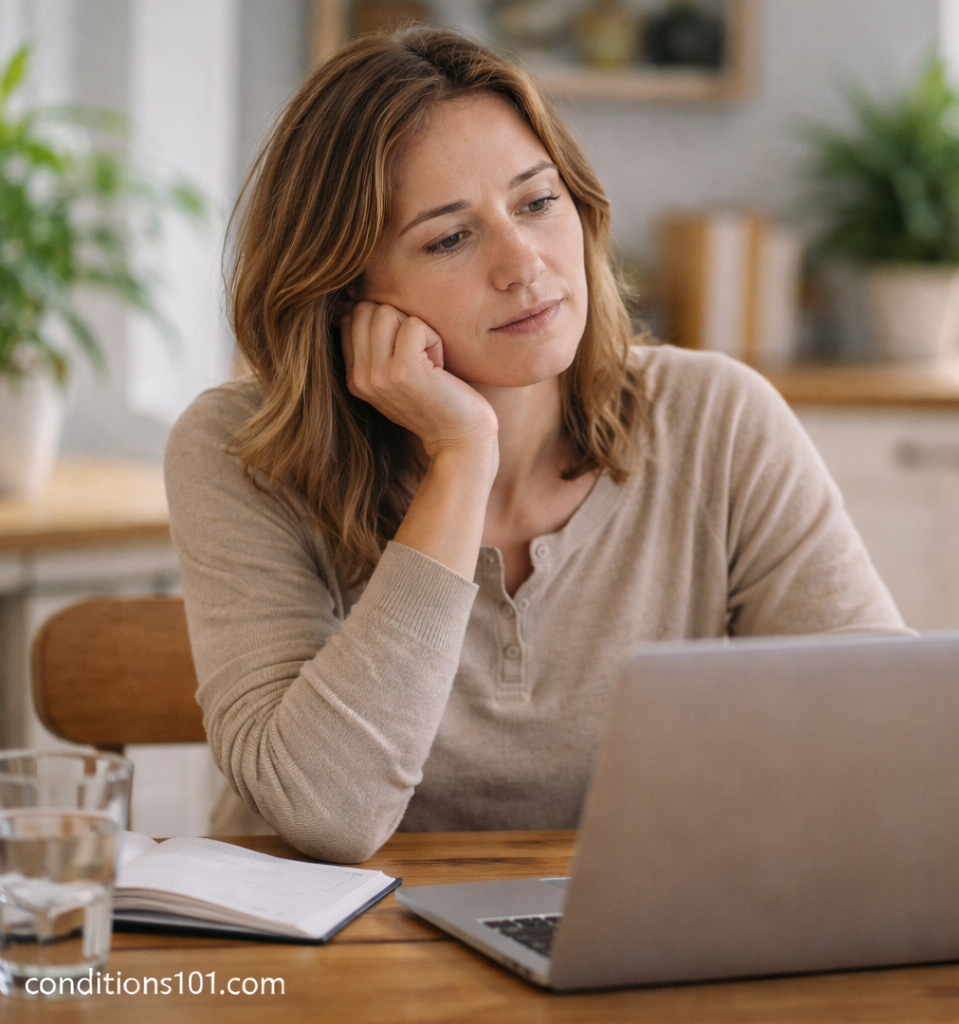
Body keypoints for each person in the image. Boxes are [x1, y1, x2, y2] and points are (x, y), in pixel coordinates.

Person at [164, 28, 905, 863]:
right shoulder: (239, 452)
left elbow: (887, 741)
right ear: (343, 295)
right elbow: (325, 815)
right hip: (329, 971)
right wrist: (461, 459)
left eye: (536, 202)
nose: (524, 264)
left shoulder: (718, 419)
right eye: (450, 238)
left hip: (617, 947)